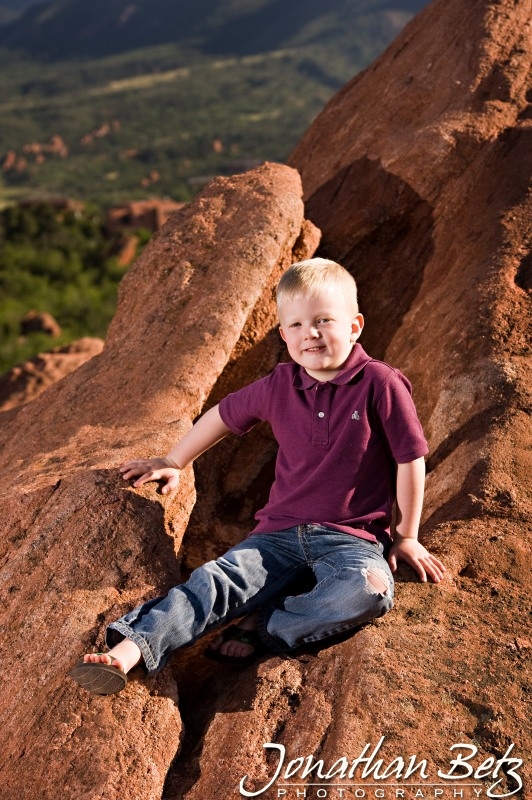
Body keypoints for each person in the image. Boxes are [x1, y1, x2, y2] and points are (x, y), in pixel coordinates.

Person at [69, 258, 445, 695]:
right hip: (277, 536)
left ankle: (268, 623)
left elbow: (410, 459)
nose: (312, 333)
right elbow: (223, 416)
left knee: (368, 593)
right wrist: (175, 459)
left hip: (352, 539)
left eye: (325, 320)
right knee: (215, 581)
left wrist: (406, 535)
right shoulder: (279, 384)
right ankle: (130, 651)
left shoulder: (380, 383)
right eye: (298, 325)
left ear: (355, 325)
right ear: (284, 334)